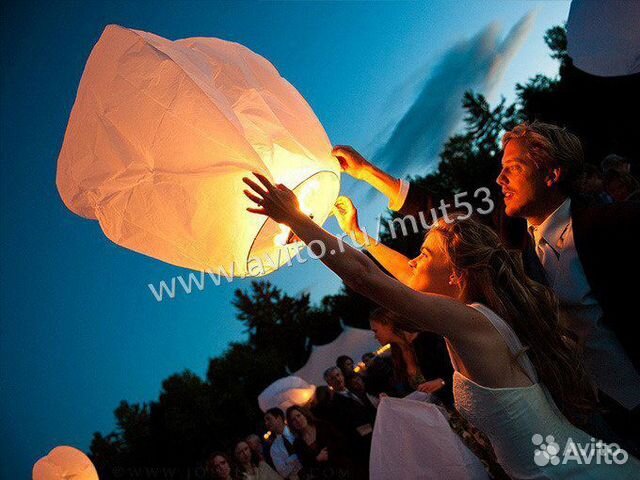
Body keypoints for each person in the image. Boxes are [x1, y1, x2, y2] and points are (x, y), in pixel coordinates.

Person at [242, 172, 639, 478]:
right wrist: (359, 236)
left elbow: (367, 279)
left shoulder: (472, 323)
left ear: (456, 276)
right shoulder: (472, 316)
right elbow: (401, 273)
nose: (412, 260)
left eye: (425, 253)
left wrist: (295, 217)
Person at [333, 122, 640, 441]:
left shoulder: (615, 226)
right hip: (577, 419)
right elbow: (433, 211)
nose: (500, 179)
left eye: (514, 168)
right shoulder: (510, 241)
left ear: (551, 174)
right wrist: (367, 175)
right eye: (501, 168)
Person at [369, 307, 453, 406]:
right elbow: (410, 391)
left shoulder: (428, 339)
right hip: (435, 415)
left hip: (454, 405)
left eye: (375, 331)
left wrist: (442, 382)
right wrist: (390, 399)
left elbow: (456, 371)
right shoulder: (397, 354)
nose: (375, 336)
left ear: (388, 325)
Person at [323, 366, 376, 473]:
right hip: (364, 446)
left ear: (342, 375)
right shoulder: (333, 405)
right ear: (329, 384)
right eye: (333, 378)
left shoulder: (355, 390)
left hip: (377, 433)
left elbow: (369, 408)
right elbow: (345, 429)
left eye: (338, 375)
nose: (338, 379)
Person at [285, 405, 356, 480]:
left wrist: (330, 453)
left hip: (345, 469)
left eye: (298, 415)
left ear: (304, 414)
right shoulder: (297, 444)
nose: (298, 420)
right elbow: (306, 466)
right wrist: (317, 459)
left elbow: (342, 441)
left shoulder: (323, 425)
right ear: (292, 424)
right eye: (293, 420)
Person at [263, 408, 302, 480]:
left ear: (279, 418)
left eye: (269, 419)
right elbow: (283, 473)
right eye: (265, 421)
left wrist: (289, 461)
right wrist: (297, 457)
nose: (266, 423)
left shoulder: (296, 431)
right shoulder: (274, 449)